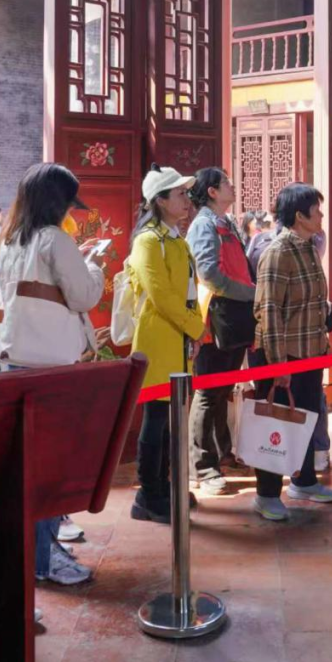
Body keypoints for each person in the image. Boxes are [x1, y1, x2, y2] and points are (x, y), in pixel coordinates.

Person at [0, 163, 103, 587]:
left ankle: (42, 551)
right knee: (50, 472)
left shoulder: (11, 240)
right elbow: (84, 295)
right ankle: (43, 559)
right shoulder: (55, 239)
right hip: (53, 366)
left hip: (16, 360)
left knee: (30, 469)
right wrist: (93, 266)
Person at [250, 183, 332, 521]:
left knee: (305, 418)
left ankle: (303, 481)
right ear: (300, 216)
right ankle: (266, 494)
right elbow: (269, 311)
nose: (322, 215)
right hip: (283, 354)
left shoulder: (308, 247)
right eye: (317, 211)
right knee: (276, 422)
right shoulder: (278, 252)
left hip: (309, 350)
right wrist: (277, 364)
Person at [125, 165, 203, 523]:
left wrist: (192, 331)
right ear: (160, 200)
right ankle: (148, 493)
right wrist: (195, 327)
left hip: (179, 337)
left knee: (171, 419)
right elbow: (161, 296)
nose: (187, 200)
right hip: (157, 338)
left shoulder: (176, 239)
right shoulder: (148, 241)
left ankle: (166, 484)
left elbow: (187, 294)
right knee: (156, 418)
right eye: (180, 194)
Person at [186, 168, 254, 496]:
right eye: (226, 182)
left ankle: (222, 453)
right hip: (214, 319)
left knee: (222, 390)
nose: (232, 186)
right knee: (207, 392)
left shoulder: (226, 222)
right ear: (212, 191)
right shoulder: (203, 224)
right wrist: (249, 293)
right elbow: (208, 274)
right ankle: (202, 467)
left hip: (235, 316)